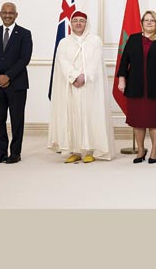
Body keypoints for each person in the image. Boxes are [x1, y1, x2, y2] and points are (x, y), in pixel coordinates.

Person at [47, 11, 116, 163]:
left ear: (86, 23)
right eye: (75, 20)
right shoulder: (64, 42)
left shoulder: (95, 41)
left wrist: (84, 76)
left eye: (82, 21)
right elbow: (62, 61)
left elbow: (95, 61)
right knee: (72, 116)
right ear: (71, 23)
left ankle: (89, 150)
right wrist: (74, 76)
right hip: (71, 85)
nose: (78, 23)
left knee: (89, 116)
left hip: (89, 86)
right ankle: (76, 151)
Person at [117, 10, 156, 164]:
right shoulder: (133, 39)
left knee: (154, 120)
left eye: (152, 20)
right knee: (137, 121)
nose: (149, 22)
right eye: (146, 20)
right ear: (142, 23)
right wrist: (121, 80)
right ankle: (140, 150)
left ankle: (154, 150)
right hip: (135, 86)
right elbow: (124, 61)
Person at [0, 2, 32, 164]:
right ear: (0, 14)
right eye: (5, 12)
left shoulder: (24, 34)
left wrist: (8, 76)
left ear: (16, 15)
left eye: (11, 13)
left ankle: (15, 153)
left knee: (17, 120)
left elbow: (24, 58)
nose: (7, 15)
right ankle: (1, 153)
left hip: (17, 84)